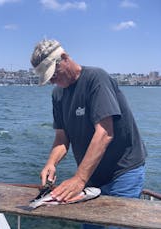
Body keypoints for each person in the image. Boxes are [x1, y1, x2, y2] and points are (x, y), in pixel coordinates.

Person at [30, 39, 147, 229]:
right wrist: (51, 163)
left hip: (123, 172)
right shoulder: (57, 95)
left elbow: (105, 132)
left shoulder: (96, 79)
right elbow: (62, 138)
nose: (52, 80)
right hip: (92, 176)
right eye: (48, 78)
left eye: (53, 74)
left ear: (65, 58)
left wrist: (79, 179)